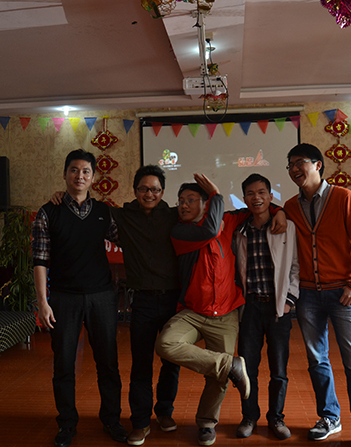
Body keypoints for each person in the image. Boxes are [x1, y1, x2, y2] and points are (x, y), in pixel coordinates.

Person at [51, 164, 182, 446]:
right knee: (141, 364)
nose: (149, 194)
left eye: (155, 189)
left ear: (163, 192)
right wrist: (61, 196)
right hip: (142, 301)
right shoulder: (120, 215)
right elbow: (86, 209)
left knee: (171, 361)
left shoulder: (174, 215)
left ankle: (164, 412)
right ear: (135, 190)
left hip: (173, 299)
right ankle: (140, 422)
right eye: (144, 189)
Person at [156, 174, 285, 446]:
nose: (183, 205)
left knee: (219, 378)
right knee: (167, 343)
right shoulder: (180, 231)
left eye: (191, 200)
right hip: (193, 311)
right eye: (181, 200)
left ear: (206, 204)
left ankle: (206, 423)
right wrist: (216, 192)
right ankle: (229, 364)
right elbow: (210, 231)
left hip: (226, 313)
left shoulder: (230, 219)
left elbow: (259, 207)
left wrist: (280, 211)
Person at [283, 143, 351, 447]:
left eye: (300, 163)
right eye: (290, 165)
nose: (294, 169)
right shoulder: (290, 207)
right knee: (317, 360)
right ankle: (329, 417)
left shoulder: (344, 198)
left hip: (343, 294)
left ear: (318, 164)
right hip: (308, 295)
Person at [33, 149, 127, 447]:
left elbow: (128, 239)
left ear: (93, 177)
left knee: (108, 363)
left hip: (102, 297)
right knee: (63, 364)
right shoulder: (48, 212)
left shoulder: (103, 212)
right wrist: (43, 301)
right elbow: (40, 260)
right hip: (64, 298)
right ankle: (66, 425)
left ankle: (111, 420)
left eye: (86, 171)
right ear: (65, 174)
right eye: (74, 170)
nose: (80, 176)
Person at [233, 173, 300, 441]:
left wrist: (289, 301)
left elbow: (296, 267)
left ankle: (276, 418)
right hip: (249, 307)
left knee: (279, 370)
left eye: (262, 192)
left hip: (278, 308)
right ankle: (249, 417)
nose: (256, 197)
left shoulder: (286, 227)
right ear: (244, 198)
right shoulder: (240, 231)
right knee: (247, 368)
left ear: (271, 197)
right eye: (250, 193)